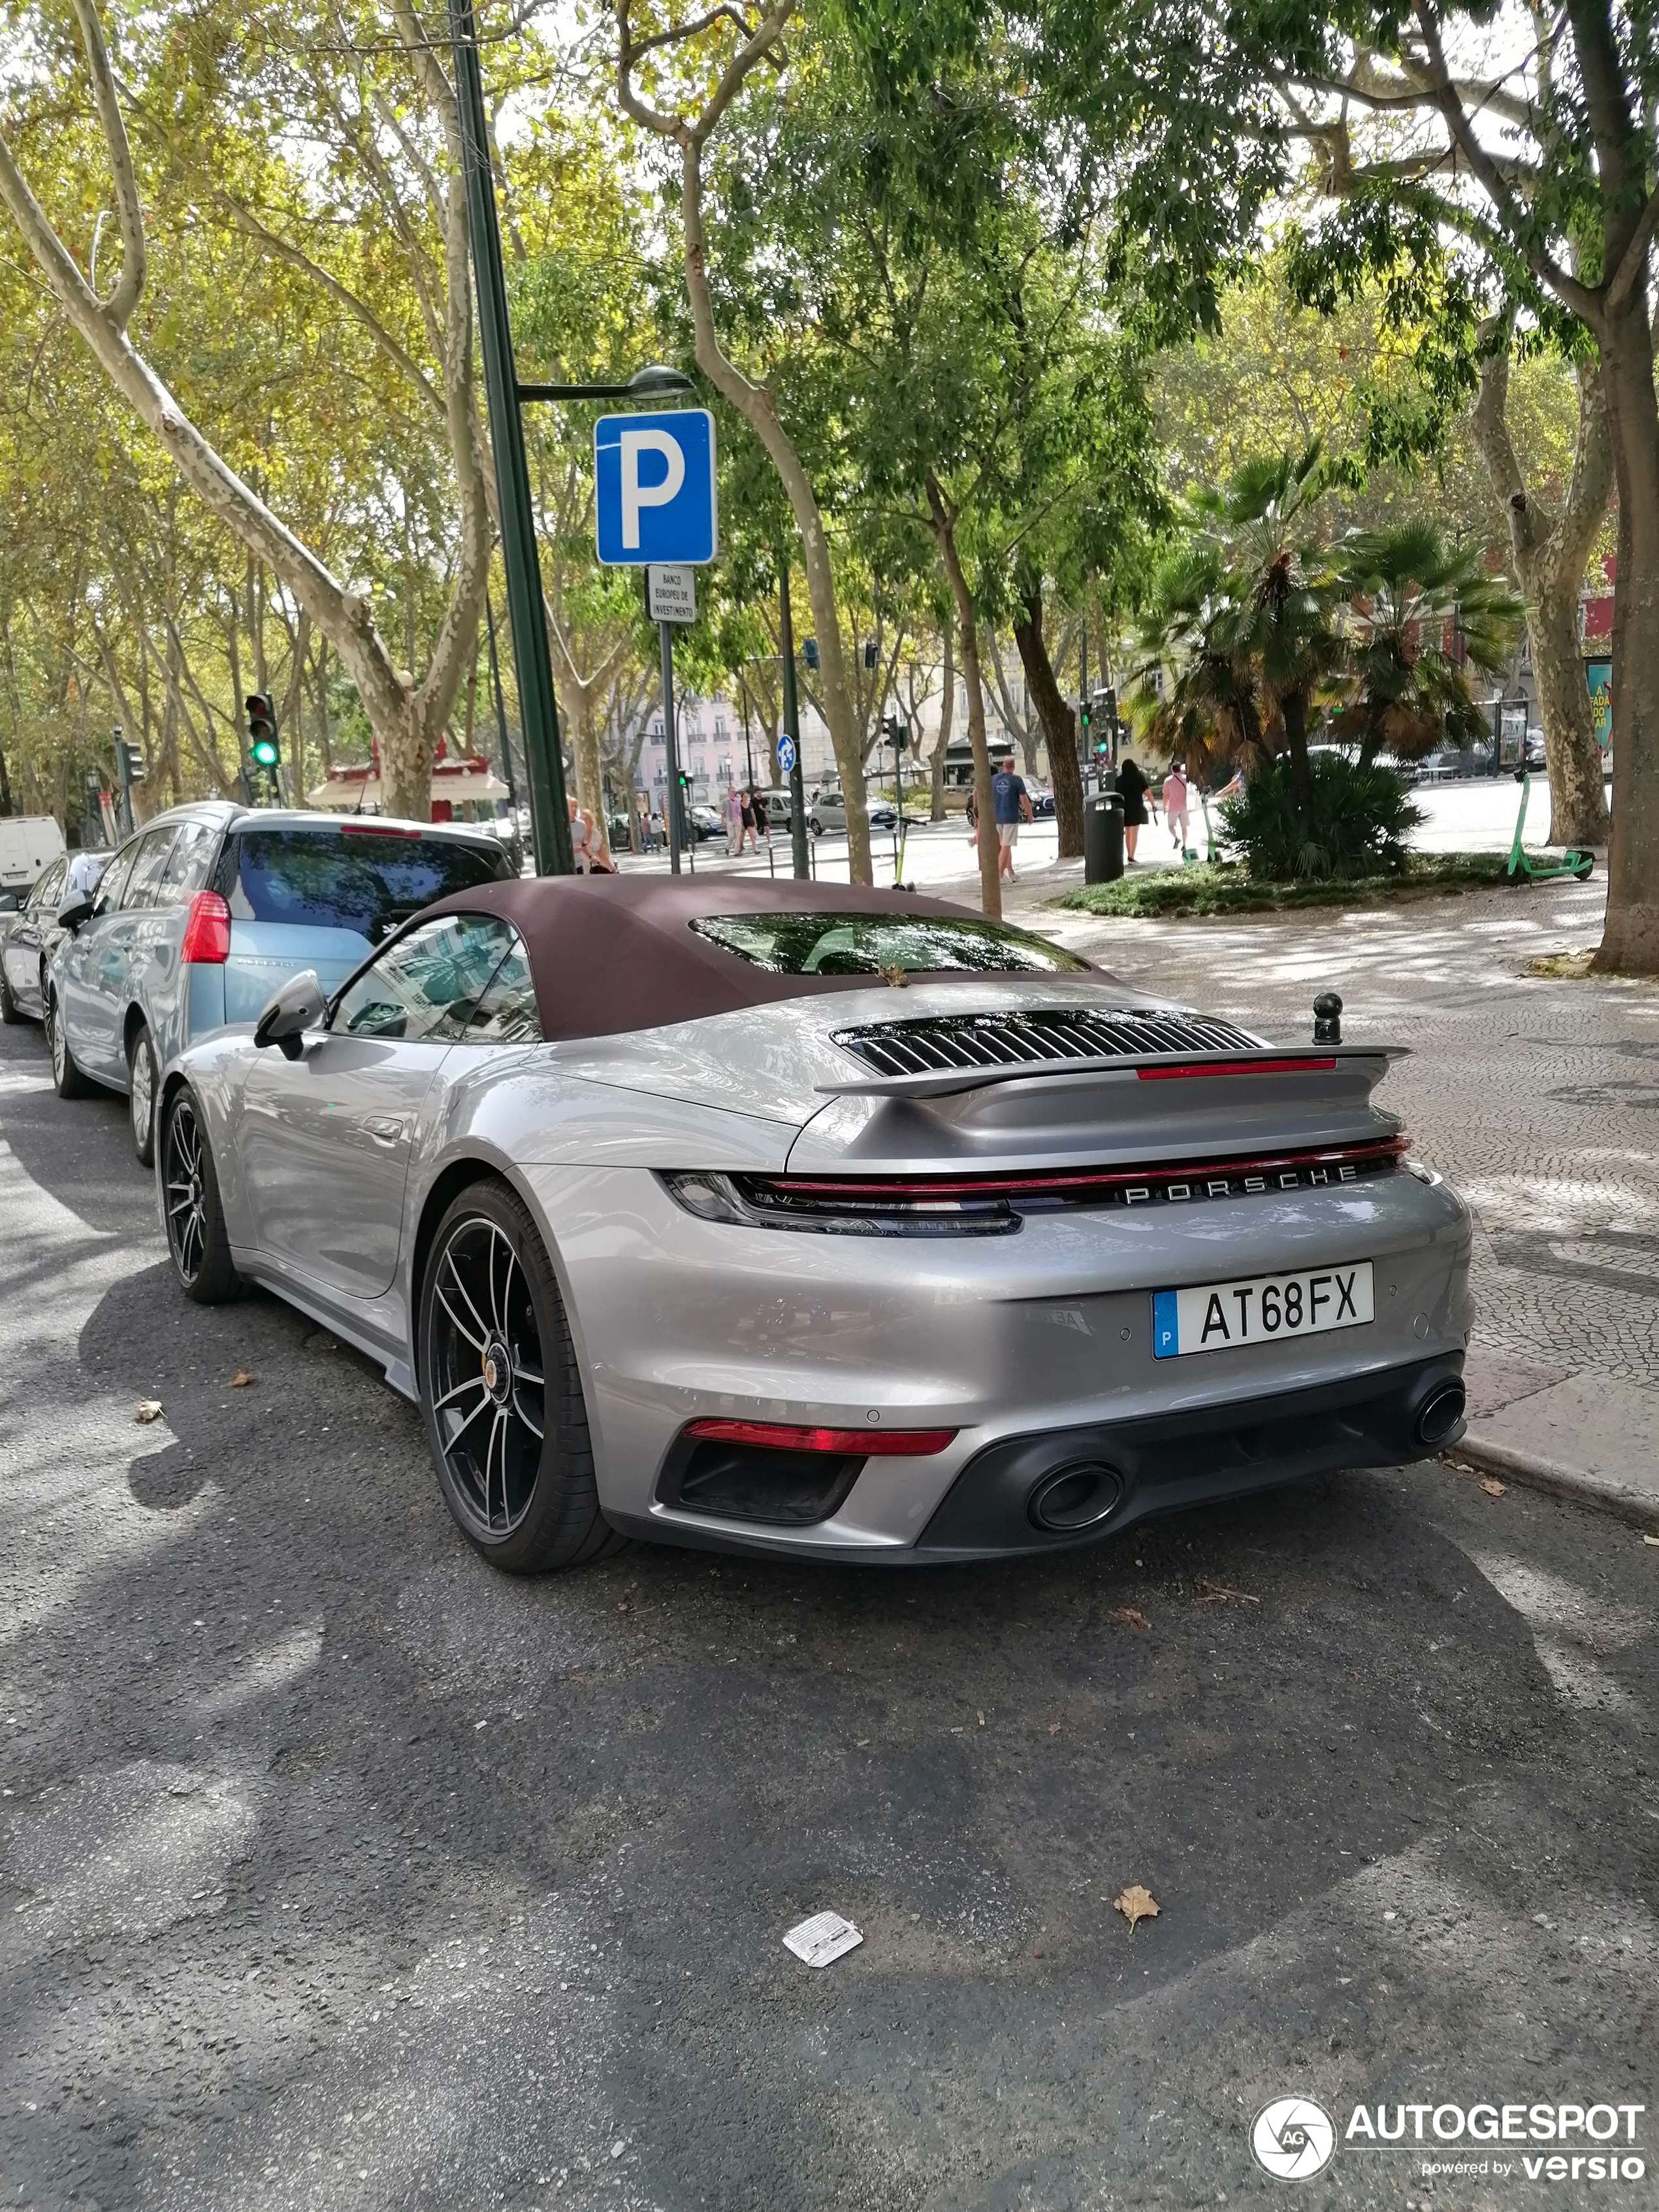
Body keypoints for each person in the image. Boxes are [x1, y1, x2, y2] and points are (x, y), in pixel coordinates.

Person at [989, 760, 1034, 881]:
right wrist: (1030, 815)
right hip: (1010, 817)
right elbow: (1024, 799)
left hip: (996, 817)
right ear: (1013, 767)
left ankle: (1011, 872)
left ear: (1003, 767)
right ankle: (999, 876)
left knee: (1003, 846)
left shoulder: (993, 780)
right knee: (1006, 846)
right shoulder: (1017, 780)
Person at [1116, 754, 1150, 863]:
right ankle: (1131, 856)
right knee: (1134, 834)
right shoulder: (1139, 777)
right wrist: (1153, 804)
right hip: (1136, 808)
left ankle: (1129, 854)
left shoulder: (1119, 780)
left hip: (1124, 809)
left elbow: (1116, 795)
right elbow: (1147, 791)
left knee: (1128, 833)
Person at [1162, 761, 1190, 854]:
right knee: (1184, 827)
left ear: (1172, 770)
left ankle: (1176, 838)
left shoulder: (1168, 781)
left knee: (1171, 826)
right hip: (1184, 806)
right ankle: (1185, 844)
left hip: (1173, 807)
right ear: (1180, 770)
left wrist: (1164, 807)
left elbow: (1165, 796)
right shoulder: (1186, 779)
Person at [724, 782, 745, 856]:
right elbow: (723, 812)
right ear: (729, 792)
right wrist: (722, 821)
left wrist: (741, 820)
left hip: (737, 820)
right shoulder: (726, 801)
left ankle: (736, 852)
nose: (734, 793)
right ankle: (727, 847)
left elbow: (740, 811)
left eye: (734, 791)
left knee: (738, 837)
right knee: (731, 836)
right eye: (732, 791)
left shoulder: (738, 800)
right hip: (729, 820)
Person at [739, 785, 758, 852]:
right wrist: (741, 825)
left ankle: (755, 849)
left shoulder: (750, 805)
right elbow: (740, 815)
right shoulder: (740, 805)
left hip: (750, 822)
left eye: (747, 796)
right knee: (741, 838)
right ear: (742, 797)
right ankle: (740, 847)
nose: (746, 798)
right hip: (743, 822)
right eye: (745, 796)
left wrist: (755, 823)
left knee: (752, 835)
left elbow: (753, 814)